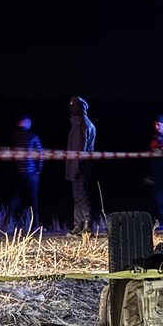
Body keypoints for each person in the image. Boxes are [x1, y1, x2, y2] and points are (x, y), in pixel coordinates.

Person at [64, 96, 96, 234]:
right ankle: (78, 224)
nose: (71, 108)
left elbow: (78, 148)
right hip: (82, 165)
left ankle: (87, 224)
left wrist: (74, 169)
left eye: (74, 106)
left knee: (81, 195)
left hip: (79, 166)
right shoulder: (84, 124)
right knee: (77, 196)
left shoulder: (81, 125)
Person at [7, 116, 43, 231]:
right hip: (31, 172)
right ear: (27, 124)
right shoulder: (33, 136)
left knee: (15, 198)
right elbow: (40, 155)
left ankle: (8, 223)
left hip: (17, 172)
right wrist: (38, 170)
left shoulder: (13, 138)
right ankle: (35, 225)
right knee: (34, 199)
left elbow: (10, 155)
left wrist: (13, 169)